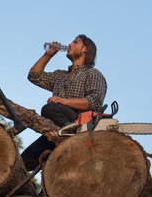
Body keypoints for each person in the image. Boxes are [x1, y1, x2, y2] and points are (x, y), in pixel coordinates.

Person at [21, 34, 107, 170]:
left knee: (49, 109)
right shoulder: (60, 75)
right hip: (57, 128)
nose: (70, 45)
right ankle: (63, 145)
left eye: (75, 42)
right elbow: (34, 76)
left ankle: (76, 141)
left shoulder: (93, 74)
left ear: (86, 49)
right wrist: (48, 55)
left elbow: (94, 101)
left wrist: (64, 101)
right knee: (23, 162)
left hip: (81, 125)